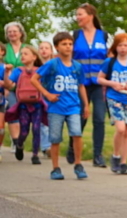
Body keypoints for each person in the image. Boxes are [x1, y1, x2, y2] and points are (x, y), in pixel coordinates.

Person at [32, 32, 89, 180]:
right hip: (56, 107)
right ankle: (56, 168)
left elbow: (81, 85)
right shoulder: (52, 64)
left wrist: (86, 105)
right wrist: (47, 94)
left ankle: (78, 164)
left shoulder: (77, 66)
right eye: (64, 44)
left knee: (77, 133)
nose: (68, 47)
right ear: (57, 47)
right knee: (55, 137)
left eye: (70, 44)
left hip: (73, 107)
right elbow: (34, 79)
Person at [71, 5, 109, 168]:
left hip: (99, 85)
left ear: (90, 15)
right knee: (80, 117)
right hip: (80, 84)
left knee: (99, 118)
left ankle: (98, 155)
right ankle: (73, 148)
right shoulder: (75, 35)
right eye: (76, 15)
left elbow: (108, 59)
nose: (77, 18)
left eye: (80, 14)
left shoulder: (104, 36)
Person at [98, 33, 127, 175]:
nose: (123, 48)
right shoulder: (110, 63)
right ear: (115, 47)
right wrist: (112, 83)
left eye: (126, 45)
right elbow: (100, 79)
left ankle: (124, 162)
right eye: (120, 45)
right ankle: (116, 156)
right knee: (121, 128)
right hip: (114, 98)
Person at [3, 45, 45, 164]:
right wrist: (6, 73)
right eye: (21, 54)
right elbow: (9, 85)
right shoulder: (18, 71)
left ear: (34, 57)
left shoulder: (40, 70)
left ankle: (35, 155)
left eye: (25, 54)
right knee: (24, 131)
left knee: (36, 129)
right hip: (23, 106)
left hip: (37, 105)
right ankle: (19, 145)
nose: (22, 56)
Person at [5, 22, 27, 152]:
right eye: (9, 32)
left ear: (21, 33)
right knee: (13, 112)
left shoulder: (27, 48)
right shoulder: (4, 48)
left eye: (15, 31)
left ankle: (21, 140)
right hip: (9, 86)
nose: (12, 34)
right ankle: (15, 141)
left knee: (24, 114)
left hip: (25, 87)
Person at [36, 40, 54, 158]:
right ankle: (46, 147)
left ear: (51, 51)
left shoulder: (54, 65)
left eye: (46, 48)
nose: (44, 50)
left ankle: (51, 145)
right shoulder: (35, 66)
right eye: (41, 48)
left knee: (52, 121)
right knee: (43, 122)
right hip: (38, 96)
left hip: (52, 95)